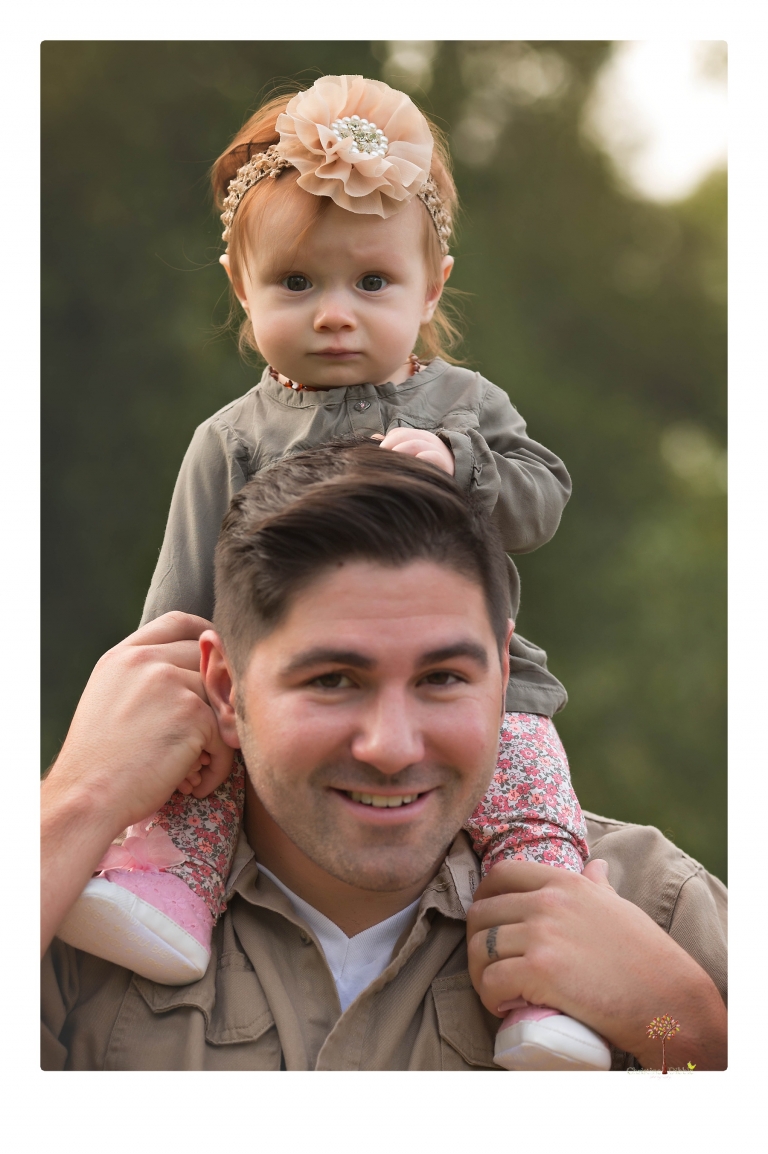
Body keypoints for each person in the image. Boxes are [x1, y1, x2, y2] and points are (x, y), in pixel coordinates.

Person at [59, 73, 598, 1068]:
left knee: (532, 804)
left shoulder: (465, 405)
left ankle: (547, 985)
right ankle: (166, 891)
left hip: (482, 685)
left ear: (430, 286)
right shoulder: (233, 438)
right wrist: (169, 708)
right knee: (200, 786)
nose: (335, 315)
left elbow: (544, 500)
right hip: (264, 698)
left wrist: (462, 465)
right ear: (243, 286)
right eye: (298, 284)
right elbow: (179, 594)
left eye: (373, 284)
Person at [41, 444, 727, 1071]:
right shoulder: (74, 903)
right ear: (226, 687)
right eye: (333, 680)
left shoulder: (656, 910)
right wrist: (77, 803)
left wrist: (686, 1032)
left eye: (443, 678)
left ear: (502, 673)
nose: (393, 747)